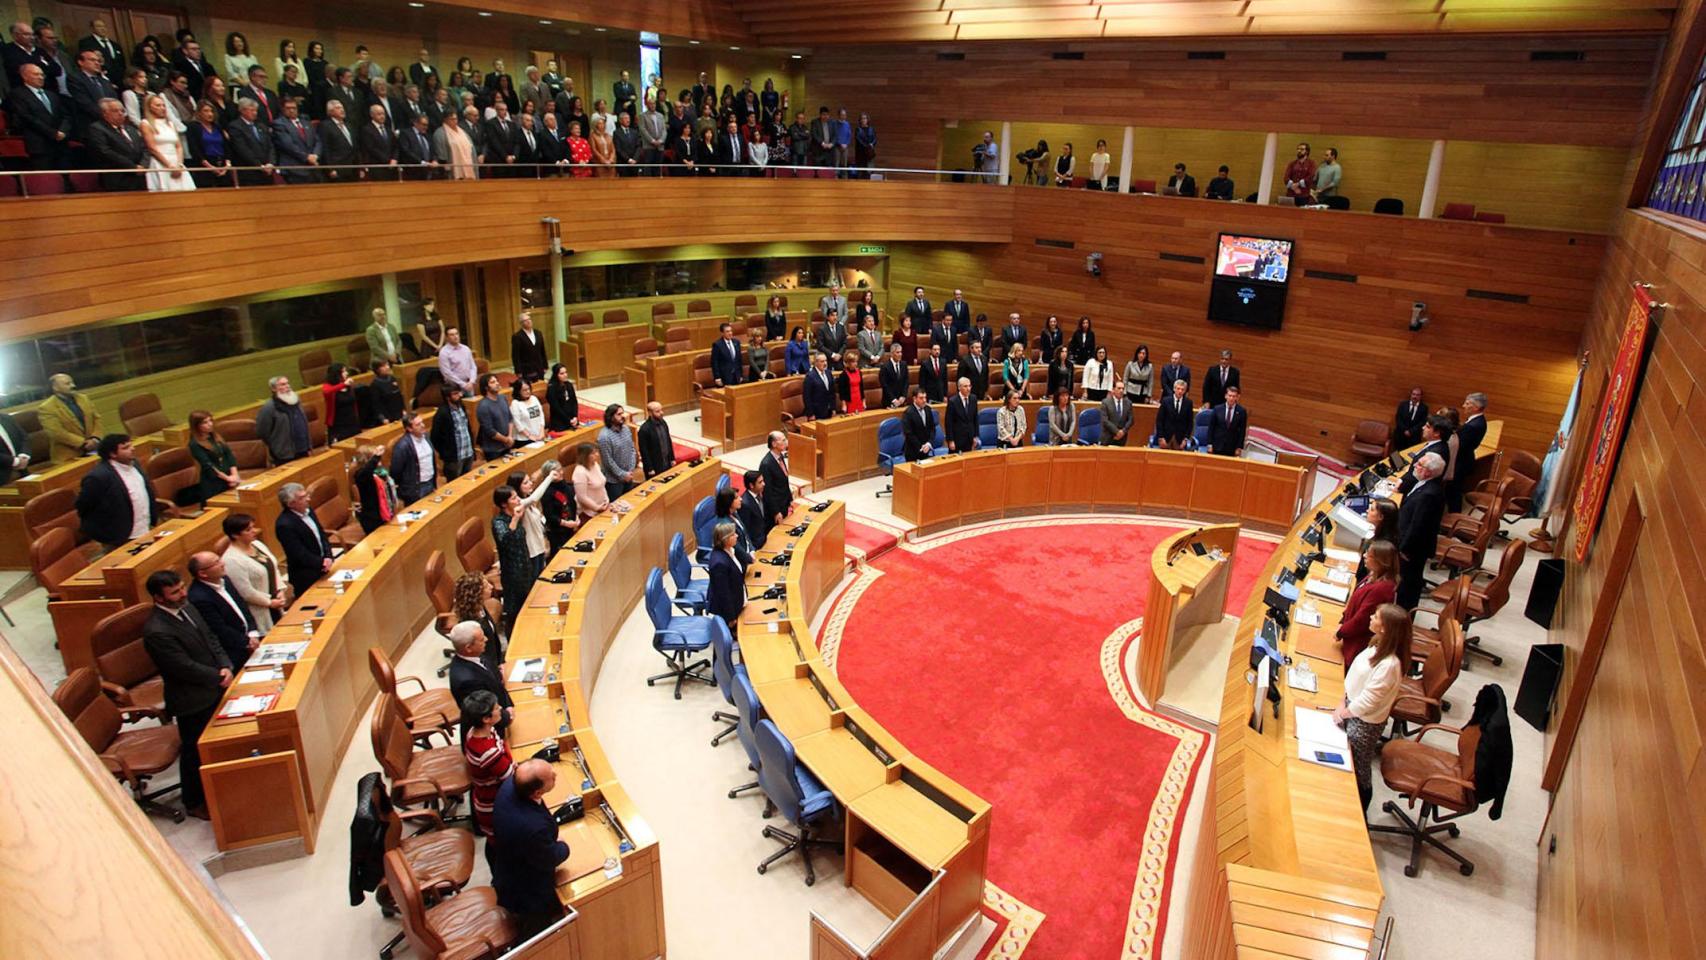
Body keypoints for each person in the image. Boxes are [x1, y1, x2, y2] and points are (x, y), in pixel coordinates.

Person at [141, 569, 232, 820]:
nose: (182, 593)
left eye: (182, 587)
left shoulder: (188, 607)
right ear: (158, 598)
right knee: (194, 751)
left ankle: (218, 787)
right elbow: (182, 667)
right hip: (191, 698)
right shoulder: (156, 630)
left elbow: (211, 638)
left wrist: (225, 665)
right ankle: (194, 801)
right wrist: (217, 675)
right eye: (175, 592)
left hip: (214, 684)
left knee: (214, 744)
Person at [1333, 603, 1410, 812]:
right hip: (1351, 709)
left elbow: (1369, 701)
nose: (1370, 618)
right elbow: (1355, 678)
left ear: (1385, 628)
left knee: (1358, 769)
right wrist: (1343, 701)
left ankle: (1361, 810)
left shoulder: (1389, 665)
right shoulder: (1376, 644)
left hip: (1364, 723)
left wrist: (1344, 711)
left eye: (1375, 617)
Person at [490, 760, 570, 940]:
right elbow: (549, 858)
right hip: (527, 891)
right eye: (552, 777)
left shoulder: (511, 785)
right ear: (538, 792)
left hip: (508, 864)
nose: (556, 774)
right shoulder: (531, 828)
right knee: (539, 936)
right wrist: (563, 846)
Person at [76, 434, 159, 547]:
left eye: (131, 445)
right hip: (120, 536)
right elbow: (83, 507)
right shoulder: (98, 477)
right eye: (125, 448)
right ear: (112, 454)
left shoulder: (135, 464)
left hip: (145, 527)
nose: (132, 449)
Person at [460, 689, 514, 863]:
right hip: (492, 803)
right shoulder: (488, 753)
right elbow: (510, 776)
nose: (500, 709)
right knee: (502, 847)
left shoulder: (477, 732)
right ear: (486, 718)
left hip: (490, 795)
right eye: (497, 708)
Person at [186, 550, 258, 669]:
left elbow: (242, 606)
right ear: (203, 574)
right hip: (233, 652)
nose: (223, 563)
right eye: (216, 562)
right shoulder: (199, 597)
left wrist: (252, 632)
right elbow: (219, 629)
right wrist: (246, 642)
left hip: (249, 639)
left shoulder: (225, 580)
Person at [1395, 452, 1448, 609]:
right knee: (1407, 581)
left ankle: (1403, 616)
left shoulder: (1429, 494)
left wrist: (1404, 549)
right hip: (1412, 545)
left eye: (1419, 465)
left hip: (1412, 550)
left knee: (1408, 584)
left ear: (1428, 472)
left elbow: (1418, 526)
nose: (1415, 466)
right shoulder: (1425, 484)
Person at [1336, 541, 1399, 670]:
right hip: (1349, 632)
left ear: (1380, 561)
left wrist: (1341, 632)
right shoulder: (1373, 575)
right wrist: (1343, 620)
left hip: (1357, 644)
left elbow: (1362, 620)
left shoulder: (1381, 589)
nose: (1364, 556)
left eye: (1368, 555)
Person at [6, 65, 73, 183]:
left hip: (60, 144)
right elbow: (27, 118)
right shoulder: (18, 94)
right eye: (36, 74)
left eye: (42, 74)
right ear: (25, 76)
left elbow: (66, 115)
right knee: (45, 181)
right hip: (40, 144)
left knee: (65, 179)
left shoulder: (52, 94)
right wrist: (53, 133)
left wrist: (63, 131)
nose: (41, 77)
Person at [221, 513, 287, 631]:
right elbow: (245, 591)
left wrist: (280, 590)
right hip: (260, 611)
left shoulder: (257, 544)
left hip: (276, 602)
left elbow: (273, 567)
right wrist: (269, 602)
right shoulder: (231, 559)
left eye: (253, 527)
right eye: (248, 529)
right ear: (235, 535)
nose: (254, 531)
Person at [449, 619, 513, 736]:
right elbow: (484, 712)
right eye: (482, 639)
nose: (487, 640)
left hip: (502, 710)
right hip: (492, 732)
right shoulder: (467, 681)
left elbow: (498, 682)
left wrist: (509, 705)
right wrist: (508, 717)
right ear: (468, 647)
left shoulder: (476, 655)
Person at [138, 93, 192, 192]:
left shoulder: (170, 124)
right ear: (149, 108)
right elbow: (152, 148)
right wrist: (169, 166)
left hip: (176, 162)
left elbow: (178, 146)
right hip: (160, 162)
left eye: (163, 105)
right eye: (158, 105)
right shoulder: (145, 124)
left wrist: (179, 164)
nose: (162, 108)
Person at [185, 410, 238, 505]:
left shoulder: (216, 436)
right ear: (197, 426)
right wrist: (228, 478)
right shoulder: (194, 444)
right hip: (214, 483)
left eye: (210, 421)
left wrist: (234, 475)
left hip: (229, 478)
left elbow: (228, 455)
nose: (210, 424)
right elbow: (208, 465)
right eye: (205, 422)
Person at [428, 383, 475, 482]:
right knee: (455, 485)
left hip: (468, 452)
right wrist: (446, 454)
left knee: (467, 483)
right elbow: (435, 437)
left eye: (459, 392)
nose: (460, 395)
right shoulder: (442, 413)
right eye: (455, 394)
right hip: (454, 458)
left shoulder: (462, 407)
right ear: (447, 397)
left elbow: (467, 428)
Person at [706, 521, 747, 633]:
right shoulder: (719, 563)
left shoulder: (729, 551)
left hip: (737, 599)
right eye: (733, 534)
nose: (737, 536)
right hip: (727, 610)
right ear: (726, 539)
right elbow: (723, 593)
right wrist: (731, 617)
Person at [1400, 415, 1454, 496]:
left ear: (1436, 433)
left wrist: (1400, 486)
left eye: (1427, 426)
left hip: (1416, 492)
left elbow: (1419, 475)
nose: (1423, 428)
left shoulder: (1436, 453)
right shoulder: (1436, 444)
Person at [1453, 392, 1490, 510]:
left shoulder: (1473, 425)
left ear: (1476, 407)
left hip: (1460, 462)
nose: (1464, 405)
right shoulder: (1478, 420)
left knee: (1453, 491)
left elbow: (1460, 446)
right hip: (1464, 459)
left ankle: (1453, 516)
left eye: (1467, 403)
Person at [349, 445, 398, 534]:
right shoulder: (361, 476)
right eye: (373, 457)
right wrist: (376, 457)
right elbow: (366, 471)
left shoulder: (379, 474)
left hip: (385, 514)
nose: (379, 460)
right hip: (372, 520)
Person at [596, 404, 641, 501]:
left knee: (629, 502)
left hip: (629, 475)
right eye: (619, 414)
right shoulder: (604, 437)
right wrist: (622, 475)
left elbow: (632, 449)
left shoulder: (626, 429)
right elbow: (608, 461)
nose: (623, 416)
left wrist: (630, 470)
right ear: (610, 417)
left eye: (623, 413)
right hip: (614, 481)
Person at [474, 374, 514, 461]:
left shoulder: (503, 398)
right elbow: (489, 431)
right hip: (493, 450)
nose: (497, 383)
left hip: (508, 444)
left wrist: (510, 436)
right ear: (486, 387)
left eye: (497, 381)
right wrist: (506, 440)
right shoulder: (483, 406)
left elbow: (510, 419)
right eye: (493, 382)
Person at [571, 443, 610, 523]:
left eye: (597, 452)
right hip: (588, 513)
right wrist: (597, 508)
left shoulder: (595, 465)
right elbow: (582, 497)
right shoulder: (580, 472)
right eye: (593, 453)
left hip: (602, 506)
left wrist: (606, 500)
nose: (597, 454)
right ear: (585, 455)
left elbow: (602, 485)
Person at [759, 431, 793, 526]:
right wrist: (776, 512)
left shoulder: (780, 456)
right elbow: (767, 491)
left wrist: (789, 499)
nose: (786, 442)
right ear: (774, 444)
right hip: (775, 508)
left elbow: (784, 480)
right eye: (783, 440)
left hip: (784, 502)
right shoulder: (766, 464)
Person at [320, 363, 360, 442]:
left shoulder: (348, 386)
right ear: (337, 374)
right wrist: (343, 384)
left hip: (352, 422)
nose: (347, 373)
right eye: (344, 371)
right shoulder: (329, 386)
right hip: (338, 426)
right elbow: (326, 391)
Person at [637, 402, 678, 478]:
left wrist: (672, 458)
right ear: (649, 413)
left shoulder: (663, 423)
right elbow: (644, 451)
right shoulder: (644, 429)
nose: (661, 413)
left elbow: (668, 441)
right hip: (654, 466)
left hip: (666, 462)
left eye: (661, 410)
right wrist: (649, 468)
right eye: (657, 411)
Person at [1208, 385, 1248, 457]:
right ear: (1225, 396)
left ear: (1237, 397)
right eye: (1230, 396)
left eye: (1234, 396)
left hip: (1232, 447)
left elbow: (1242, 431)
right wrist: (1210, 444)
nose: (1231, 398)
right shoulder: (1217, 409)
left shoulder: (1241, 411)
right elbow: (1211, 428)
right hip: (1217, 445)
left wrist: (1239, 447)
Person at [510, 311, 549, 383]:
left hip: (539, 367)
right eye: (525, 320)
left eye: (529, 319)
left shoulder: (538, 333)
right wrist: (518, 371)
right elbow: (515, 355)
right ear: (521, 323)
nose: (528, 322)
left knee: (540, 386)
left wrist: (545, 365)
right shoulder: (517, 336)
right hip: (526, 369)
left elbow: (542, 350)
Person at [438, 327, 479, 396]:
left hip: (468, 383)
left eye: (456, 334)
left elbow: (473, 366)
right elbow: (447, 373)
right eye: (452, 335)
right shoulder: (444, 353)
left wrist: (472, 381)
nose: (455, 336)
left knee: (471, 404)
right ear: (447, 337)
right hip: (454, 386)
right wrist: (463, 384)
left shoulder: (466, 349)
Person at [1155, 379, 1195, 449]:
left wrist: (1185, 439)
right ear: (1174, 389)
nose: (1180, 391)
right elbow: (1159, 420)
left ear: (1185, 391)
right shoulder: (1166, 401)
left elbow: (1190, 423)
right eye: (1178, 389)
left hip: (1180, 439)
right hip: (1166, 437)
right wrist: (1161, 437)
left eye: (1182, 389)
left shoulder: (1188, 403)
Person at [901, 387, 938, 462]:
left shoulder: (928, 409)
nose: (924, 400)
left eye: (925, 397)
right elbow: (908, 433)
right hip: (913, 451)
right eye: (921, 398)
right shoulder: (908, 413)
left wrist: (928, 443)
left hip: (926, 450)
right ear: (914, 399)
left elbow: (932, 428)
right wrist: (921, 446)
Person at [945, 377, 979, 454]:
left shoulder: (973, 398)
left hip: (969, 437)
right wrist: (950, 440)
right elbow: (948, 423)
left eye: (969, 386)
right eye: (965, 386)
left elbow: (975, 418)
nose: (968, 389)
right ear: (959, 387)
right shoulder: (953, 401)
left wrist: (975, 436)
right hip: (957, 439)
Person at [545, 363, 579, 432]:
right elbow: (556, 408)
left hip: (572, 418)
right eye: (562, 373)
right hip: (559, 420)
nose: (565, 375)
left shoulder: (569, 384)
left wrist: (575, 416)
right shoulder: (552, 388)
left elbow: (574, 401)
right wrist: (568, 420)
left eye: (566, 372)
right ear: (556, 375)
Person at [802, 351, 837, 420]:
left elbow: (832, 393)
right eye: (822, 361)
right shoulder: (810, 376)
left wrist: (833, 408)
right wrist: (811, 414)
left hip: (829, 411)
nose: (825, 363)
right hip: (817, 413)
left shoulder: (828, 373)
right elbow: (807, 397)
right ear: (816, 363)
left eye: (826, 361)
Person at [509, 379, 545, 444]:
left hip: (538, 435)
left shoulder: (534, 398)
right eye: (524, 390)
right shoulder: (515, 403)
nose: (528, 391)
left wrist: (542, 431)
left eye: (529, 389)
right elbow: (517, 423)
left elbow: (541, 415)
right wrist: (529, 436)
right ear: (518, 391)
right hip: (524, 439)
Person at [1100, 379, 1134, 446]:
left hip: (1122, 438)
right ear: (1113, 390)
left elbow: (1131, 420)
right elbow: (1105, 420)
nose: (1121, 391)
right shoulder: (1105, 402)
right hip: (1108, 437)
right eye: (1119, 388)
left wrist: (1123, 431)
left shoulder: (1128, 403)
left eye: (1122, 389)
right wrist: (1117, 432)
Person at [0, 411, 31, 484]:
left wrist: (23, 455)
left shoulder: (6, 418)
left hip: (23, 471)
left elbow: (24, 437)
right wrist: (15, 461)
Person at [711, 321, 744, 388]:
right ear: (722, 333)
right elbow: (714, 362)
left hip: (736, 376)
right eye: (727, 331)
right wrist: (717, 377)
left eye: (731, 331)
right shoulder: (717, 345)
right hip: (724, 377)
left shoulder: (736, 342)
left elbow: (739, 360)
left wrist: (740, 375)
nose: (730, 333)